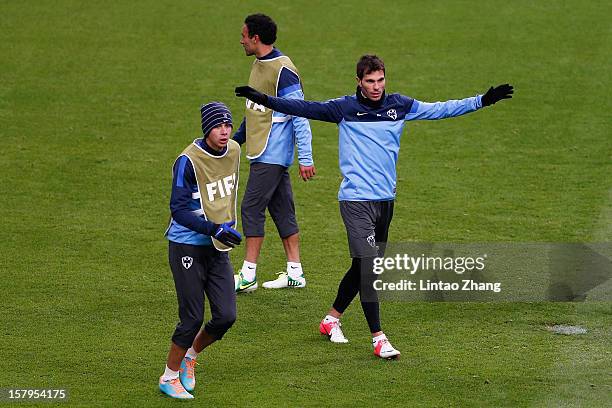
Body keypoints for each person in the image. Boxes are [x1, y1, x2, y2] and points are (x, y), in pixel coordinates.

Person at [235, 55, 513, 359]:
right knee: (369, 268)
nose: (376, 87)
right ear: (358, 82)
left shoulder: (400, 106)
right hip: (355, 202)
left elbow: (440, 109)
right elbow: (305, 107)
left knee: (362, 266)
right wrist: (264, 100)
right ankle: (378, 338)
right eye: (370, 81)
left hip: (385, 202)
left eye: (380, 80)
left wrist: (482, 101)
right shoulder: (343, 109)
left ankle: (330, 320)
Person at [159, 102, 243, 399]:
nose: (224, 131)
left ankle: (190, 357)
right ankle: (168, 377)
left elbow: (225, 188)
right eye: (218, 126)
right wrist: (214, 228)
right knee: (192, 317)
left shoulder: (233, 150)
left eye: (228, 125)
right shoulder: (188, 161)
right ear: (207, 129)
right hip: (187, 246)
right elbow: (178, 210)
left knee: (226, 316)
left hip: (217, 247)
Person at [232, 13, 316, 292]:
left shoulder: (283, 70)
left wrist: (306, 157)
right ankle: (295, 271)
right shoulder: (259, 64)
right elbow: (255, 110)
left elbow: (300, 115)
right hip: (264, 150)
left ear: (256, 38)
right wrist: (236, 140)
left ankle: (248, 275)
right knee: (282, 210)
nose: (241, 40)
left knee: (251, 207)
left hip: (271, 152)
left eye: (244, 36)